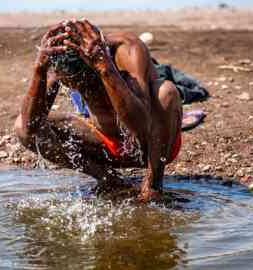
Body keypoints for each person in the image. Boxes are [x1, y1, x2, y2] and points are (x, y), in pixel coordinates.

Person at [14, 19, 182, 202]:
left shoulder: (128, 49)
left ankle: (153, 185)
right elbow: (31, 127)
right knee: (21, 127)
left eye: (87, 83)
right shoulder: (63, 60)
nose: (81, 89)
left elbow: (141, 126)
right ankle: (110, 180)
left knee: (166, 92)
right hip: (104, 143)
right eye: (75, 84)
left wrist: (104, 66)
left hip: (149, 146)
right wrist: (39, 70)